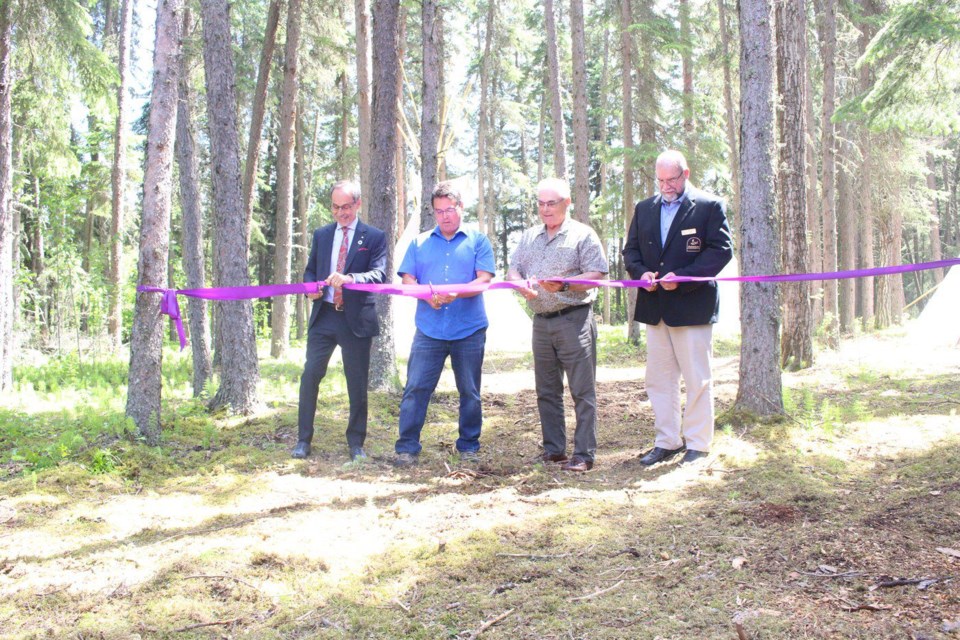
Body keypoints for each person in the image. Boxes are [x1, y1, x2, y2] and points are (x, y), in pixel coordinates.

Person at [622, 150, 734, 467]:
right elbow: (630, 252)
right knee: (659, 380)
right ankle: (666, 441)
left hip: (693, 306)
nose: (666, 186)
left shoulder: (709, 206)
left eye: (671, 179)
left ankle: (698, 444)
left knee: (697, 378)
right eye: (660, 180)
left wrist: (684, 280)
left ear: (685, 173)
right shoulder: (644, 209)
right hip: (655, 307)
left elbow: (720, 251)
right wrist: (640, 273)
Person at [507, 178, 608, 472]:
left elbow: (598, 273)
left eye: (552, 203)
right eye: (540, 203)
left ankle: (584, 454)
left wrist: (565, 285)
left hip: (573, 319)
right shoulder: (529, 237)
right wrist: (520, 285)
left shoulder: (582, 235)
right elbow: (514, 268)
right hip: (541, 322)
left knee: (581, 390)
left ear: (567, 203)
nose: (545, 209)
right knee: (547, 390)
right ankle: (554, 450)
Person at [393, 181, 496, 467]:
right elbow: (407, 280)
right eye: (438, 212)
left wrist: (457, 292)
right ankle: (407, 447)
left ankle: (468, 446)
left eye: (449, 209)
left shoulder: (478, 240)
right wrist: (428, 298)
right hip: (429, 329)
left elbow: (484, 279)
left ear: (461, 208)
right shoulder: (419, 242)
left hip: (469, 328)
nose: (445, 216)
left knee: (470, 392)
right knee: (416, 388)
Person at [294, 180, 387, 461]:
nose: (341, 213)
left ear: (357, 204)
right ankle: (302, 440)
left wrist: (350, 279)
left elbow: (379, 275)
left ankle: (356, 443)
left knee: (357, 383)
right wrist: (311, 288)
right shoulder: (321, 235)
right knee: (310, 376)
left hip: (355, 320)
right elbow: (310, 271)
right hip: (323, 318)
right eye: (335, 207)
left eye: (346, 207)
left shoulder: (374, 236)